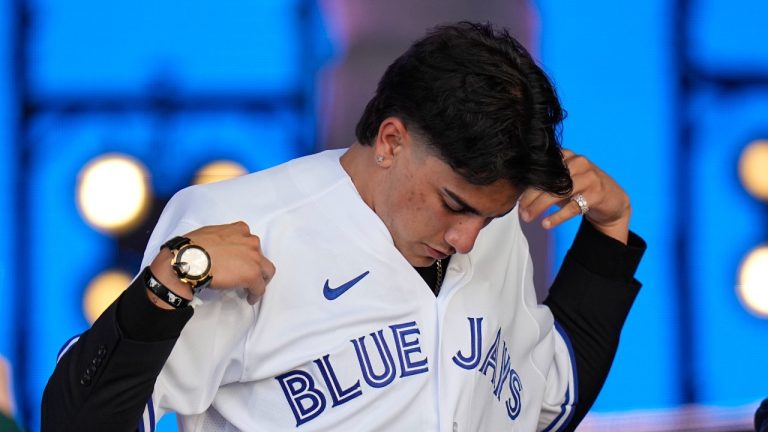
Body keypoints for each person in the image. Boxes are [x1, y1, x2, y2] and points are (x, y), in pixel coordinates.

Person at [42, 21, 645, 431]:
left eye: (490, 216)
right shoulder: (244, 225)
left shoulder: (491, 234)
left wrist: (608, 238)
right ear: (391, 141)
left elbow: (544, 400)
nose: (467, 239)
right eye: (454, 204)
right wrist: (171, 282)